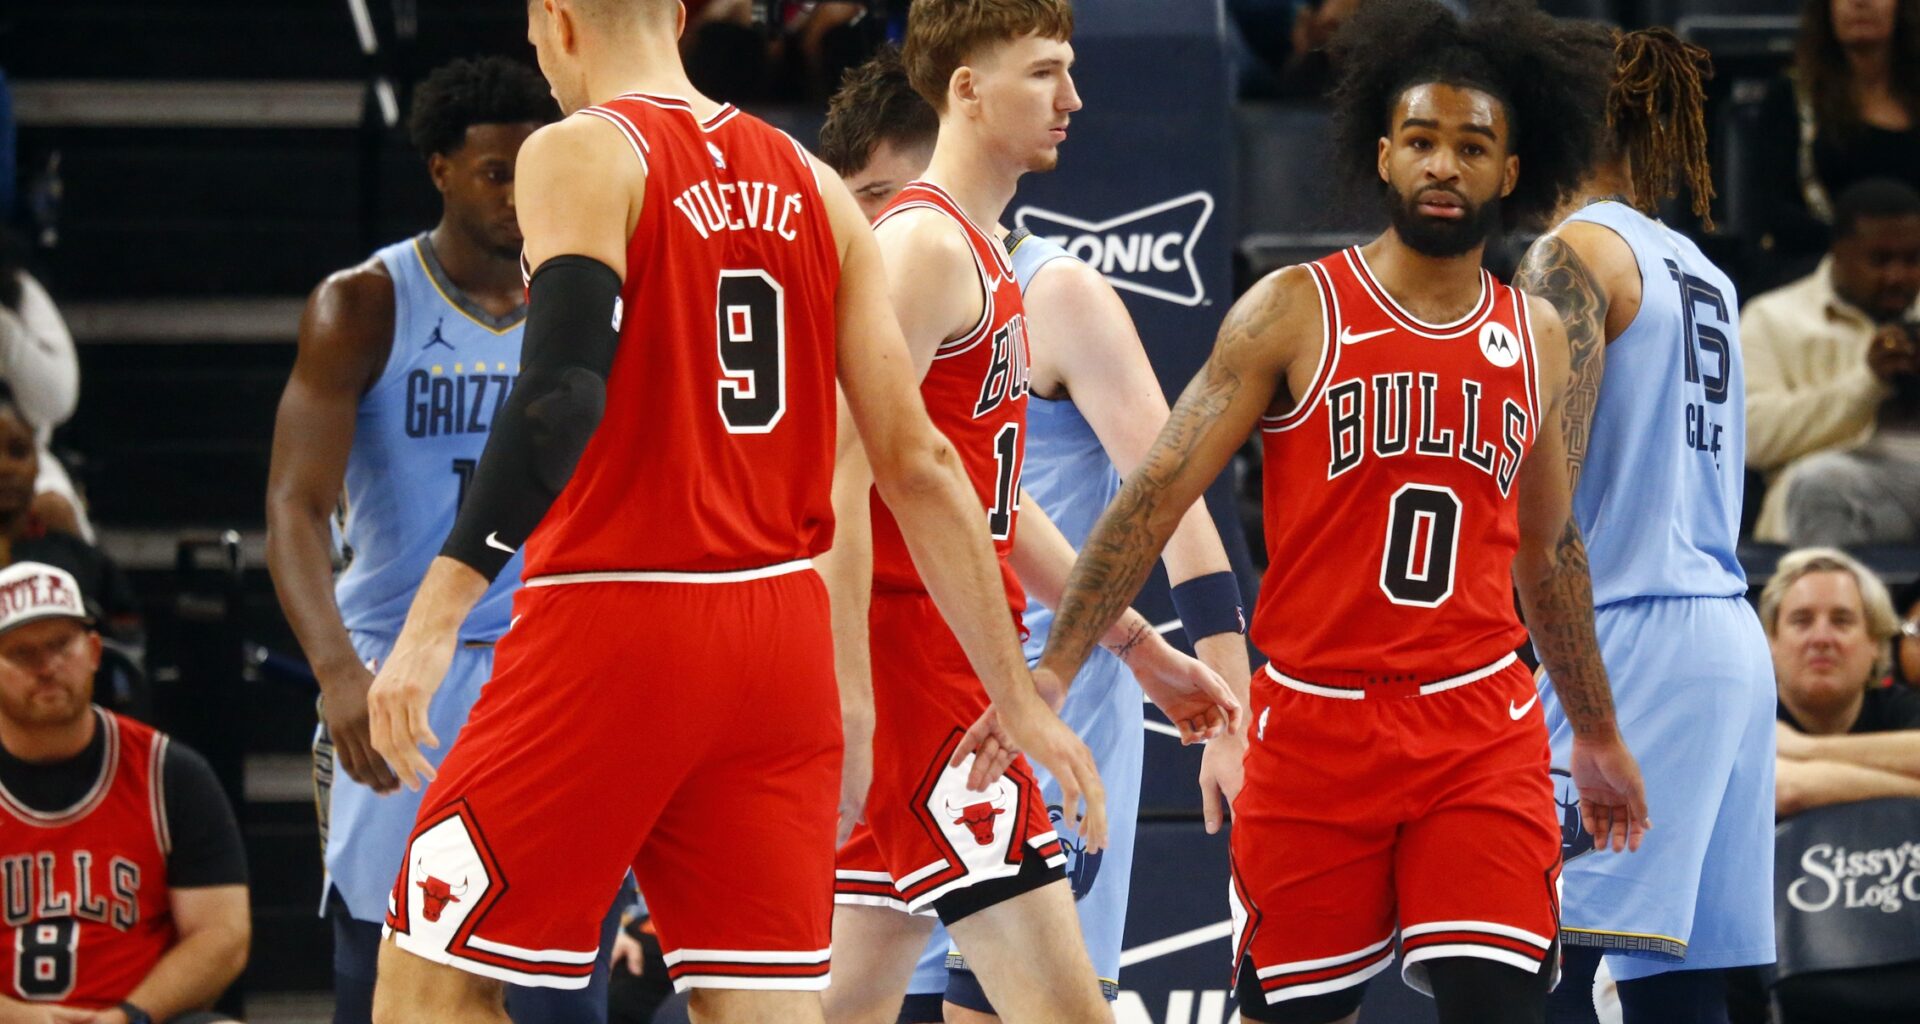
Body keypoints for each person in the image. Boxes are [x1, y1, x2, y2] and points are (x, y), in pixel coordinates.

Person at [364, 0, 1103, 1020]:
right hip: (779, 646)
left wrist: (436, 612)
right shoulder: (813, 183)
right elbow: (923, 461)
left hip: (618, 623)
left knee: (426, 989)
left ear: (556, 18)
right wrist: (1014, 693)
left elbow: (560, 393)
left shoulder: (581, 150)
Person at [1030, 1, 1655, 1021]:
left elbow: (1547, 550)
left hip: (1476, 717)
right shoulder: (1294, 308)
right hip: (1316, 722)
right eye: (1420, 141)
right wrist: (1056, 665)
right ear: (1382, 155)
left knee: (1497, 1002)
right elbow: (1152, 498)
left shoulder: (1536, 332)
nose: (1442, 165)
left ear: (1509, 170)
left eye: (1470, 145)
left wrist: (1592, 729)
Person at [820, 4, 1239, 1022]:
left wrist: (1137, 643)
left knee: (840, 1009)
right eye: (1046, 73)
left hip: (945, 682)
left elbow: (987, 501)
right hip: (925, 694)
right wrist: (858, 702)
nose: (1074, 98)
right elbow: (828, 480)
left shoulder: (987, 256)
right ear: (966, 90)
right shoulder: (922, 248)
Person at [262, 56, 622, 1024]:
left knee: (555, 980)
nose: (518, 195)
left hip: (551, 662)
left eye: (531, 171)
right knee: (379, 970)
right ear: (439, 171)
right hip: (400, 665)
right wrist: (339, 671)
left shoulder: (589, 304)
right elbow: (296, 506)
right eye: (494, 171)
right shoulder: (365, 302)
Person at [1515, 25, 1778, 1024]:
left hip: (1630, 632)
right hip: (1725, 640)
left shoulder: (1572, 253)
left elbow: (1545, 492)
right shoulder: (1699, 266)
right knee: (1682, 987)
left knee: (1539, 963)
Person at [0, 562, 249, 1024]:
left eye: (61, 645)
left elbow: (222, 934)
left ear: (94, 650)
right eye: (21, 653)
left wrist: (128, 1016)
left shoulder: (170, 773)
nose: (47, 667)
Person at [1742, 178, 1920, 547]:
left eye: (1912, 259)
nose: (1898, 276)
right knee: (1819, 482)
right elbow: (1752, 439)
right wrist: (1866, 382)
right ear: (1838, 252)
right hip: (1835, 492)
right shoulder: (1772, 318)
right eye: (1880, 260)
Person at [1752, 0, 1920, 277]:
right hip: (1815, 269)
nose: (1860, 3)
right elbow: (1772, 210)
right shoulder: (1790, 97)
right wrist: (1858, 248)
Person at [1763, 548, 1920, 816]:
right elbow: (1787, 788)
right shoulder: (1746, 717)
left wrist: (1801, 748)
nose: (1821, 638)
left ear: (1876, 643)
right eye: (1801, 621)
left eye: (1841, 621)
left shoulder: (1902, 707)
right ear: (1771, 643)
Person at [0, 225, 87, 540]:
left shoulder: (17, 291)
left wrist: (6, 333)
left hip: (19, 453)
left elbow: (57, 402)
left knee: (53, 508)